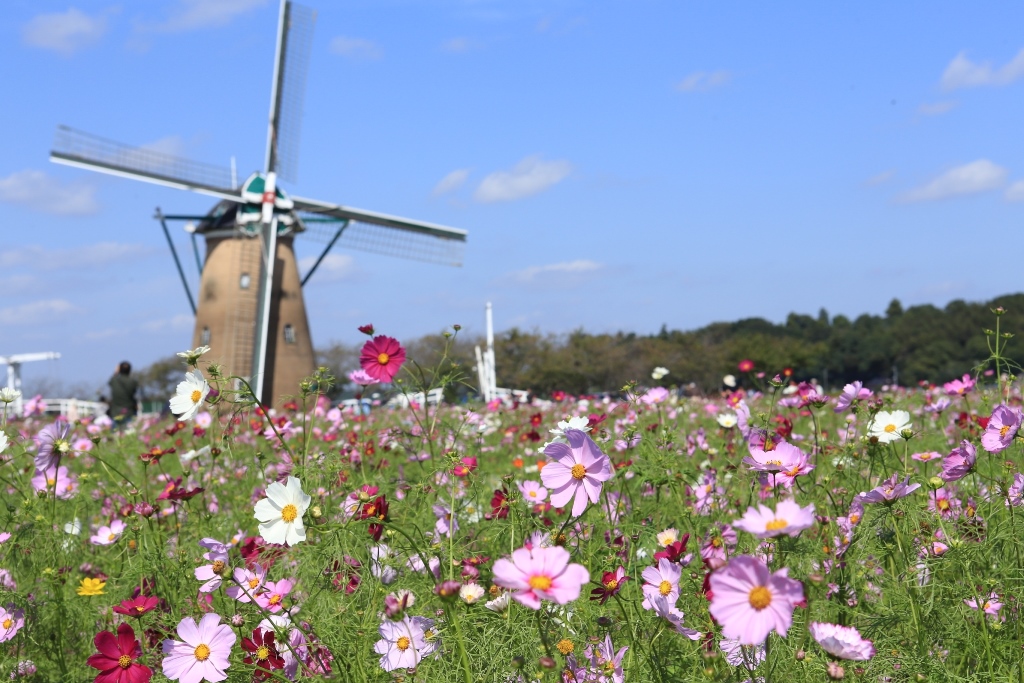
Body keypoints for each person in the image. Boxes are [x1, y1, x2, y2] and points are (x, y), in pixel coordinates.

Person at [108, 361, 139, 429]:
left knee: (115, 435)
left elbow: (110, 382)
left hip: (115, 412)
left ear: (119, 370)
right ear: (130, 370)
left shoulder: (114, 381)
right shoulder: (133, 382)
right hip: (129, 411)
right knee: (129, 433)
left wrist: (116, 372)